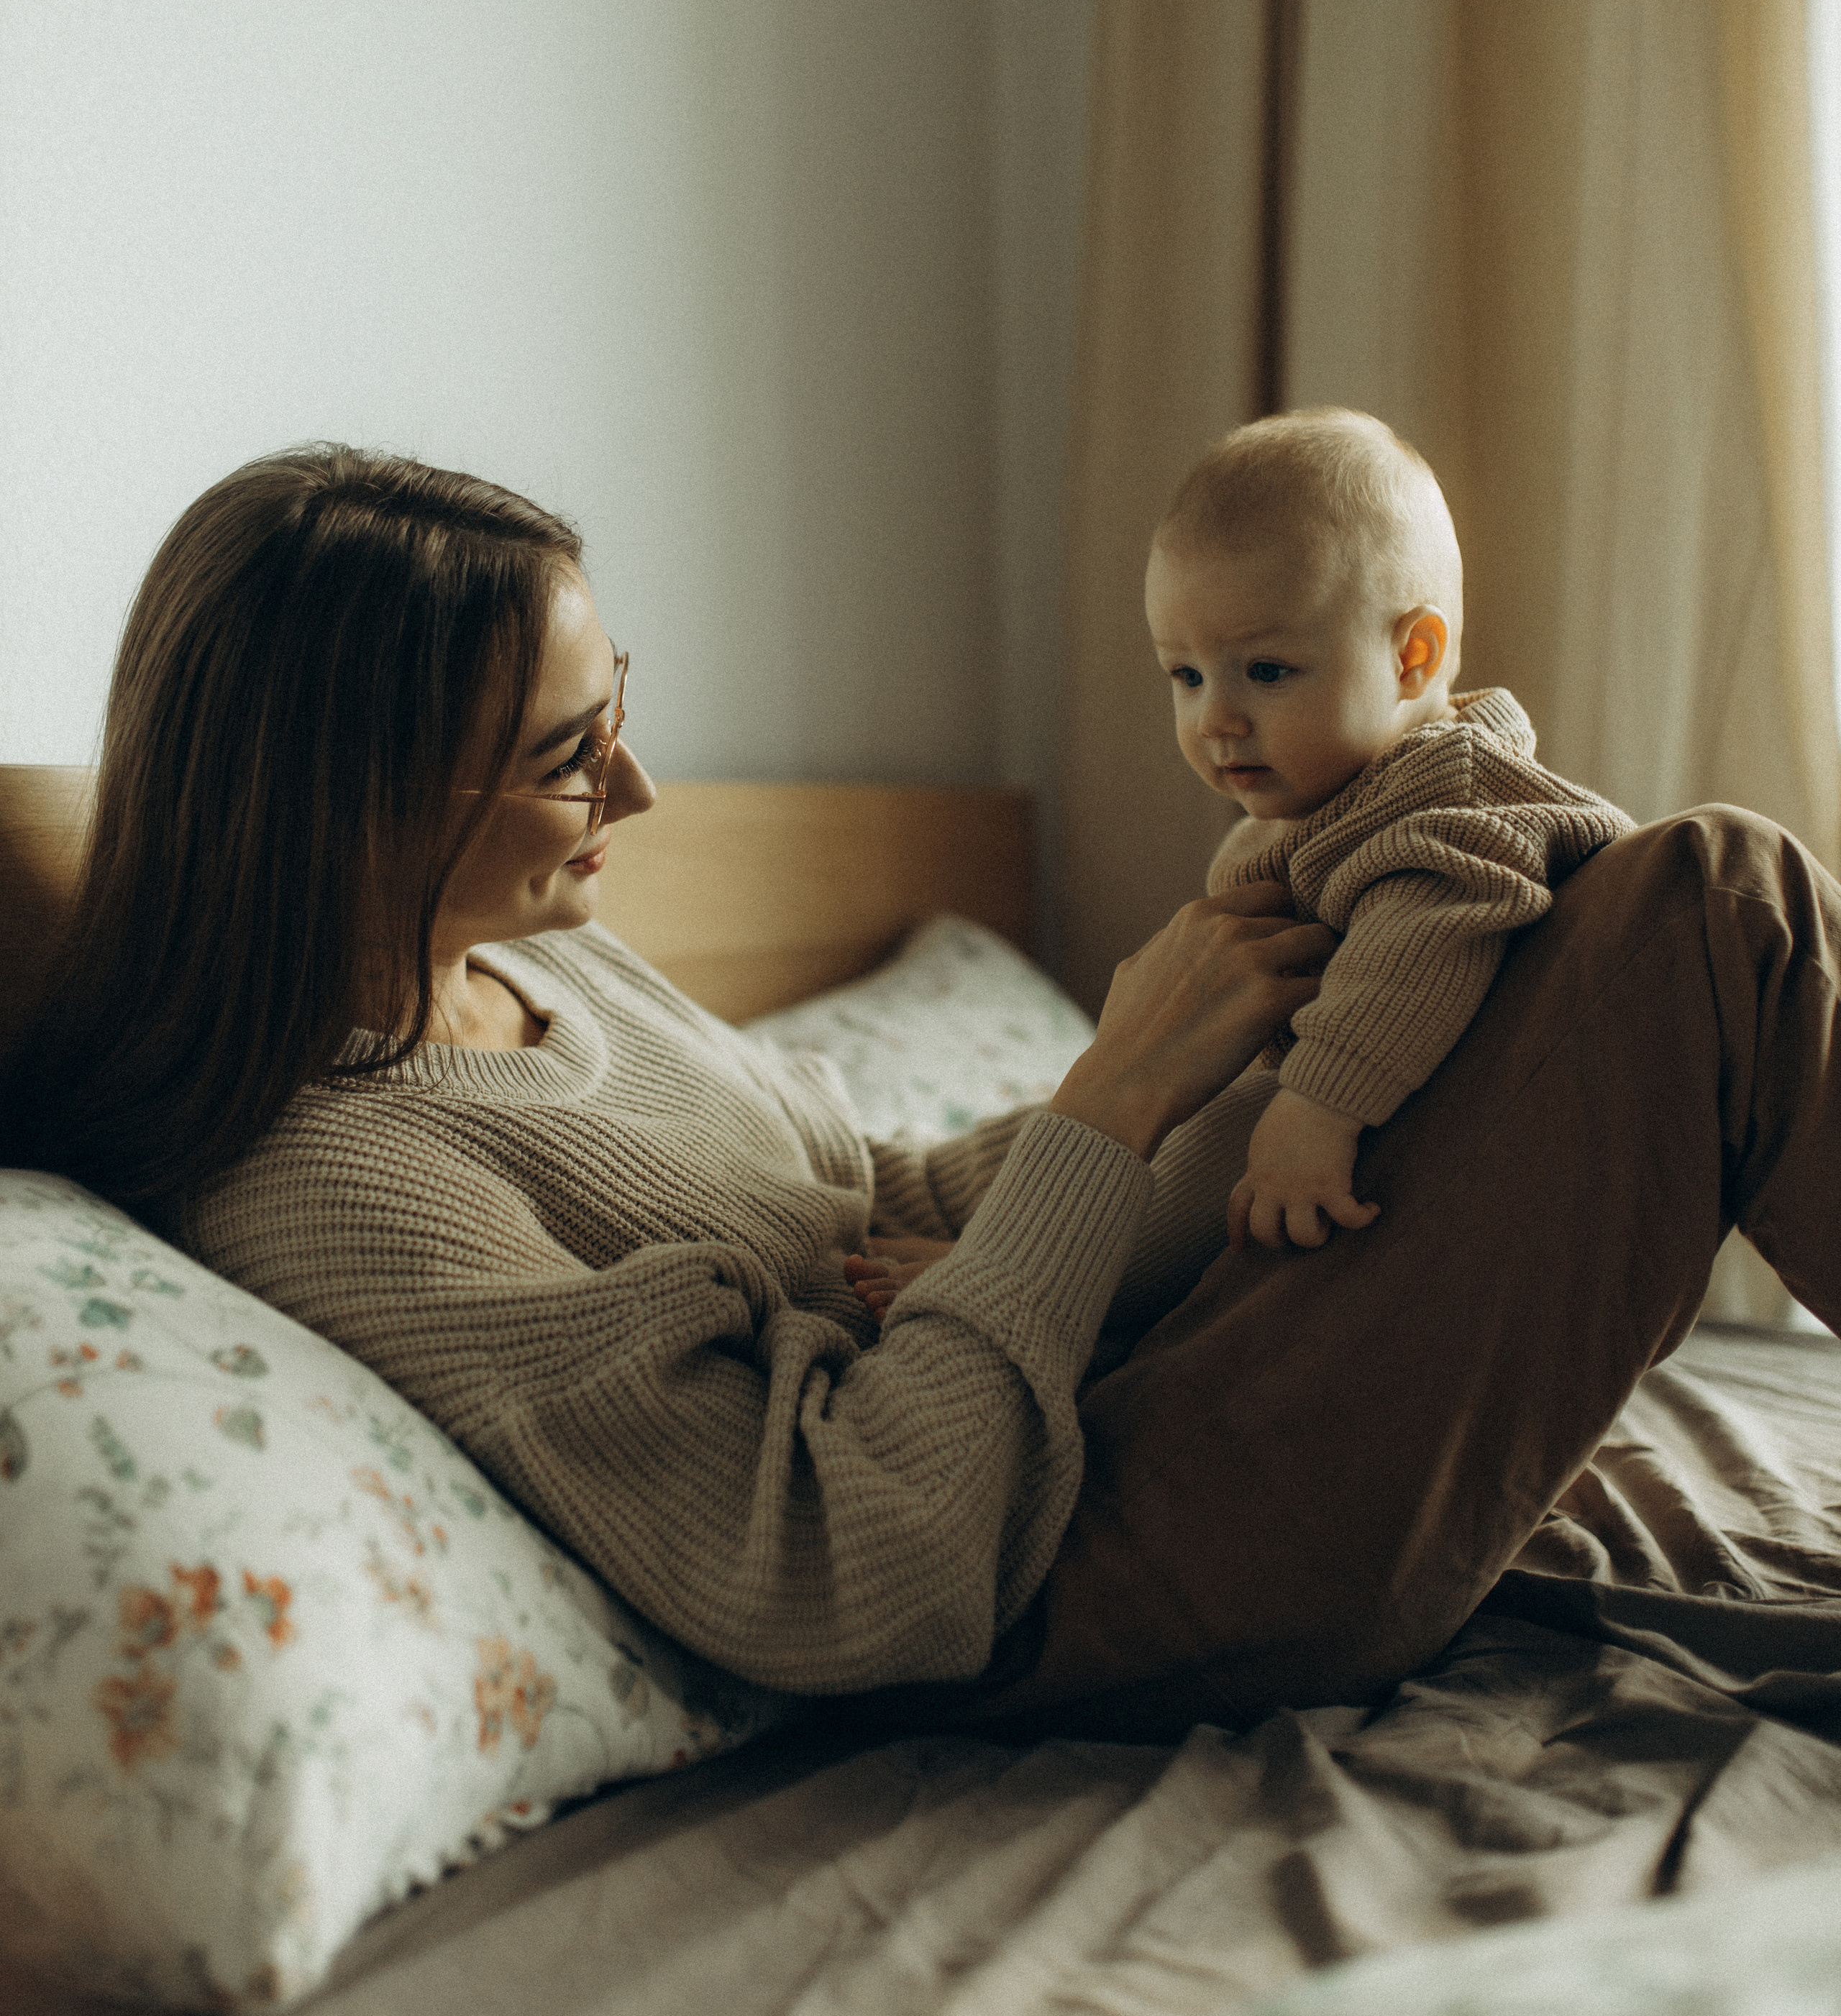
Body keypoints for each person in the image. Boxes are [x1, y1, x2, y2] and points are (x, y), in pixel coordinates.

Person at [12, 444, 1841, 1741]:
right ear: (357, 803)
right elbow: (845, 1565)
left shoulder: (541, 961)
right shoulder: (329, 1172)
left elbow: (874, 1203)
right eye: (573, 757)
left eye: (619, 705)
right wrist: (1107, 1103)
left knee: (1612, 909)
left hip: (1105, 1387)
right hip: (1066, 1564)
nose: (641, 794)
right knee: (1716, 904)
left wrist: (1218, 1078)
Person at [1148, 408, 1635, 1257]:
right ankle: (1026, 1235)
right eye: (1184, 675)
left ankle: (1061, 1279)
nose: (1214, 717)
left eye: (1265, 671)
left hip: (1470, 1147)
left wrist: (1317, 1106)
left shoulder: (1453, 792)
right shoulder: (1306, 822)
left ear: (1412, 657)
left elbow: (1423, 939)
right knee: (1168, 1121)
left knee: (1223, 1143)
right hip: (1391, 1131)